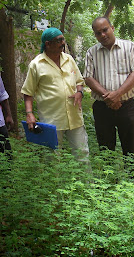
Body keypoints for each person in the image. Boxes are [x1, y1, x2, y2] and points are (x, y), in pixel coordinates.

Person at [21, 27, 90, 167]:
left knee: (82, 154)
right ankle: (53, 188)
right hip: (52, 119)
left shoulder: (69, 59)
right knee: (52, 158)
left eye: (63, 39)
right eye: (59, 40)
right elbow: (28, 92)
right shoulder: (36, 65)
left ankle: (87, 186)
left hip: (74, 117)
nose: (63, 43)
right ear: (48, 43)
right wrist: (29, 114)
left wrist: (79, 92)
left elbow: (79, 82)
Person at [84, 17, 134, 170]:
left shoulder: (129, 47)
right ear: (95, 35)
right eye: (98, 33)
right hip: (102, 109)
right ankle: (109, 184)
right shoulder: (91, 52)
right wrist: (108, 96)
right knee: (105, 150)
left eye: (105, 30)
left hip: (127, 106)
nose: (102, 34)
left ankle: (132, 181)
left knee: (131, 150)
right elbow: (88, 78)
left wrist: (118, 94)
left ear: (112, 28)